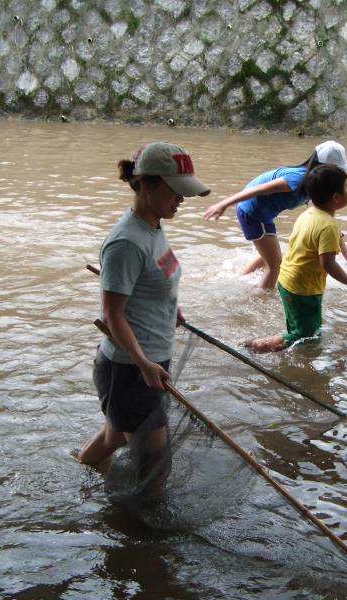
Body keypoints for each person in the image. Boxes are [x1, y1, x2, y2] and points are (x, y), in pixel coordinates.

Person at [78, 142, 210, 478]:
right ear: (149, 185)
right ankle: (134, 529)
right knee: (155, 468)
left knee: (117, 435)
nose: (182, 199)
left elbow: (152, 281)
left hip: (147, 361)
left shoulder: (153, 225)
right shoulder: (127, 242)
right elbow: (112, 316)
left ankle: (83, 469)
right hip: (131, 368)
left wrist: (169, 306)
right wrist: (144, 364)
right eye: (176, 191)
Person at [204, 140, 347, 289]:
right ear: (325, 167)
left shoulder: (316, 184)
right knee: (275, 265)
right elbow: (257, 190)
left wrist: (344, 251)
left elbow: (324, 219)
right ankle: (260, 301)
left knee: (271, 255)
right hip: (254, 213)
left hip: (262, 213)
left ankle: (240, 279)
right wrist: (223, 204)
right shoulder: (298, 179)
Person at [248, 164, 347, 353]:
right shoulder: (329, 226)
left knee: (298, 328)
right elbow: (328, 263)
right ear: (336, 198)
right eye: (346, 187)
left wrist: (345, 250)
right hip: (303, 289)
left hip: (287, 281)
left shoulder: (308, 214)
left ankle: (281, 353)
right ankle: (257, 346)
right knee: (308, 336)